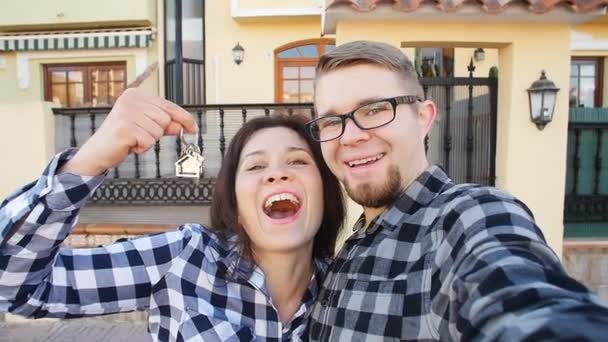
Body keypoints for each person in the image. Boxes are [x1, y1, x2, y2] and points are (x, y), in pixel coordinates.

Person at [304, 40, 608, 341]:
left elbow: (520, 297)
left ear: (423, 118)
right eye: (332, 121)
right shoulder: (352, 246)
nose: (351, 136)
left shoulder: (468, 217)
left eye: (374, 110)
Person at [0, 88, 345, 341]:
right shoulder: (184, 258)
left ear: (326, 194)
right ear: (237, 207)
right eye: (255, 165)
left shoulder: (350, 289)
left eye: (298, 161)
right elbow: (16, 289)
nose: (276, 174)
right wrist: (90, 160)